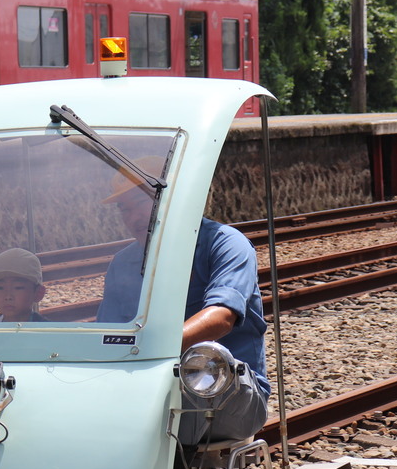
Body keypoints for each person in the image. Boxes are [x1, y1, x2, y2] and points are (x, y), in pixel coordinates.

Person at [97, 159, 270, 442]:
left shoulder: (225, 244)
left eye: (141, 202)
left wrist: (147, 349)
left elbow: (221, 316)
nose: (133, 216)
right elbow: (106, 333)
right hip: (146, 386)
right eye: (124, 208)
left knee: (169, 404)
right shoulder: (123, 263)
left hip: (226, 392)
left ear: (173, 200)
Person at [0, 248, 48, 323]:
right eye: (0, 288)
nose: (8, 296)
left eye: (18, 288)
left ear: (38, 293)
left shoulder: (49, 332)